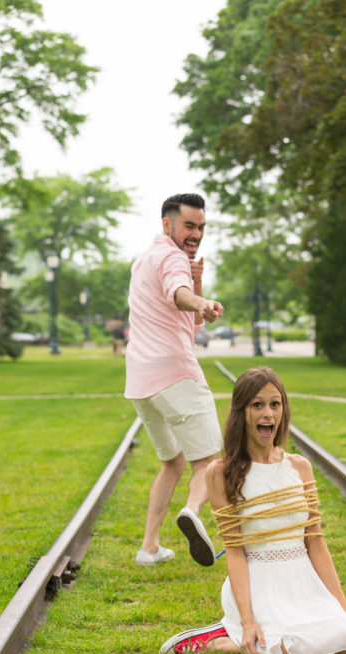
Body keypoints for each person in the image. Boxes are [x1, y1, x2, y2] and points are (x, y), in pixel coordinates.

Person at [160, 367, 346, 654]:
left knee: (345, 646)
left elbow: (316, 544)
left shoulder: (300, 468)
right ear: (242, 413)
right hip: (262, 583)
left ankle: (240, 637)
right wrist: (248, 621)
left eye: (275, 404)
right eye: (257, 405)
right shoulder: (220, 473)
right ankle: (222, 639)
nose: (268, 414)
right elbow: (234, 551)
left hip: (302, 581)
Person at [125, 193, 224, 567]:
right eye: (189, 225)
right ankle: (192, 512)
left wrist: (197, 289)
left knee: (173, 462)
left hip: (141, 383)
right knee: (208, 462)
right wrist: (198, 299)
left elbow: (190, 321)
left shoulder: (145, 261)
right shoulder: (171, 257)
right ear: (167, 225)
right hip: (176, 375)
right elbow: (180, 297)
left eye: (201, 227)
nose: (196, 233)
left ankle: (149, 548)